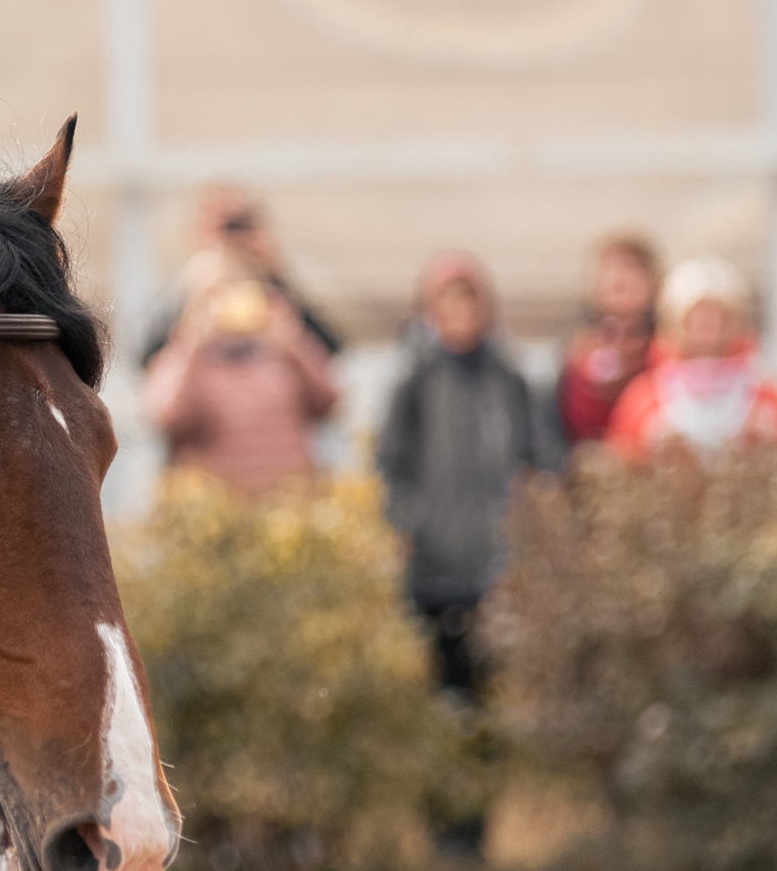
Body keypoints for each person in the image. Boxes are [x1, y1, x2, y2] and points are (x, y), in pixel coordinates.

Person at [377, 252, 560, 699]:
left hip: (498, 557)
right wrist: (412, 523)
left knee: (498, 677)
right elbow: (390, 464)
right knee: (443, 680)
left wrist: (528, 518)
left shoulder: (509, 377)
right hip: (434, 561)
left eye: (469, 302)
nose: (461, 315)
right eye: (448, 303)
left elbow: (542, 454)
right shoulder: (415, 379)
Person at [140, 248, 340, 496]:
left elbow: (328, 402)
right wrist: (193, 341)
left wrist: (293, 344)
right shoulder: (182, 352)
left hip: (289, 507)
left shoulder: (279, 344)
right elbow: (169, 417)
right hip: (216, 512)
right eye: (216, 293)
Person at [605, 258, 777, 459]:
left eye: (718, 316)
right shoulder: (645, 397)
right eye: (697, 317)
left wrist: (771, 442)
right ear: (675, 322)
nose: (708, 325)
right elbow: (619, 461)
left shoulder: (763, 393)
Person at [139, 184, 343, 364]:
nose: (235, 239)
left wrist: (276, 277)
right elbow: (145, 359)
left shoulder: (274, 291)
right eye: (227, 226)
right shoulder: (191, 286)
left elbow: (331, 351)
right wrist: (192, 292)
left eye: (244, 224)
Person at [555, 230, 661, 447]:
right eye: (610, 268)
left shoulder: (667, 350)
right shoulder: (576, 354)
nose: (619, 277)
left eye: (631, 267)